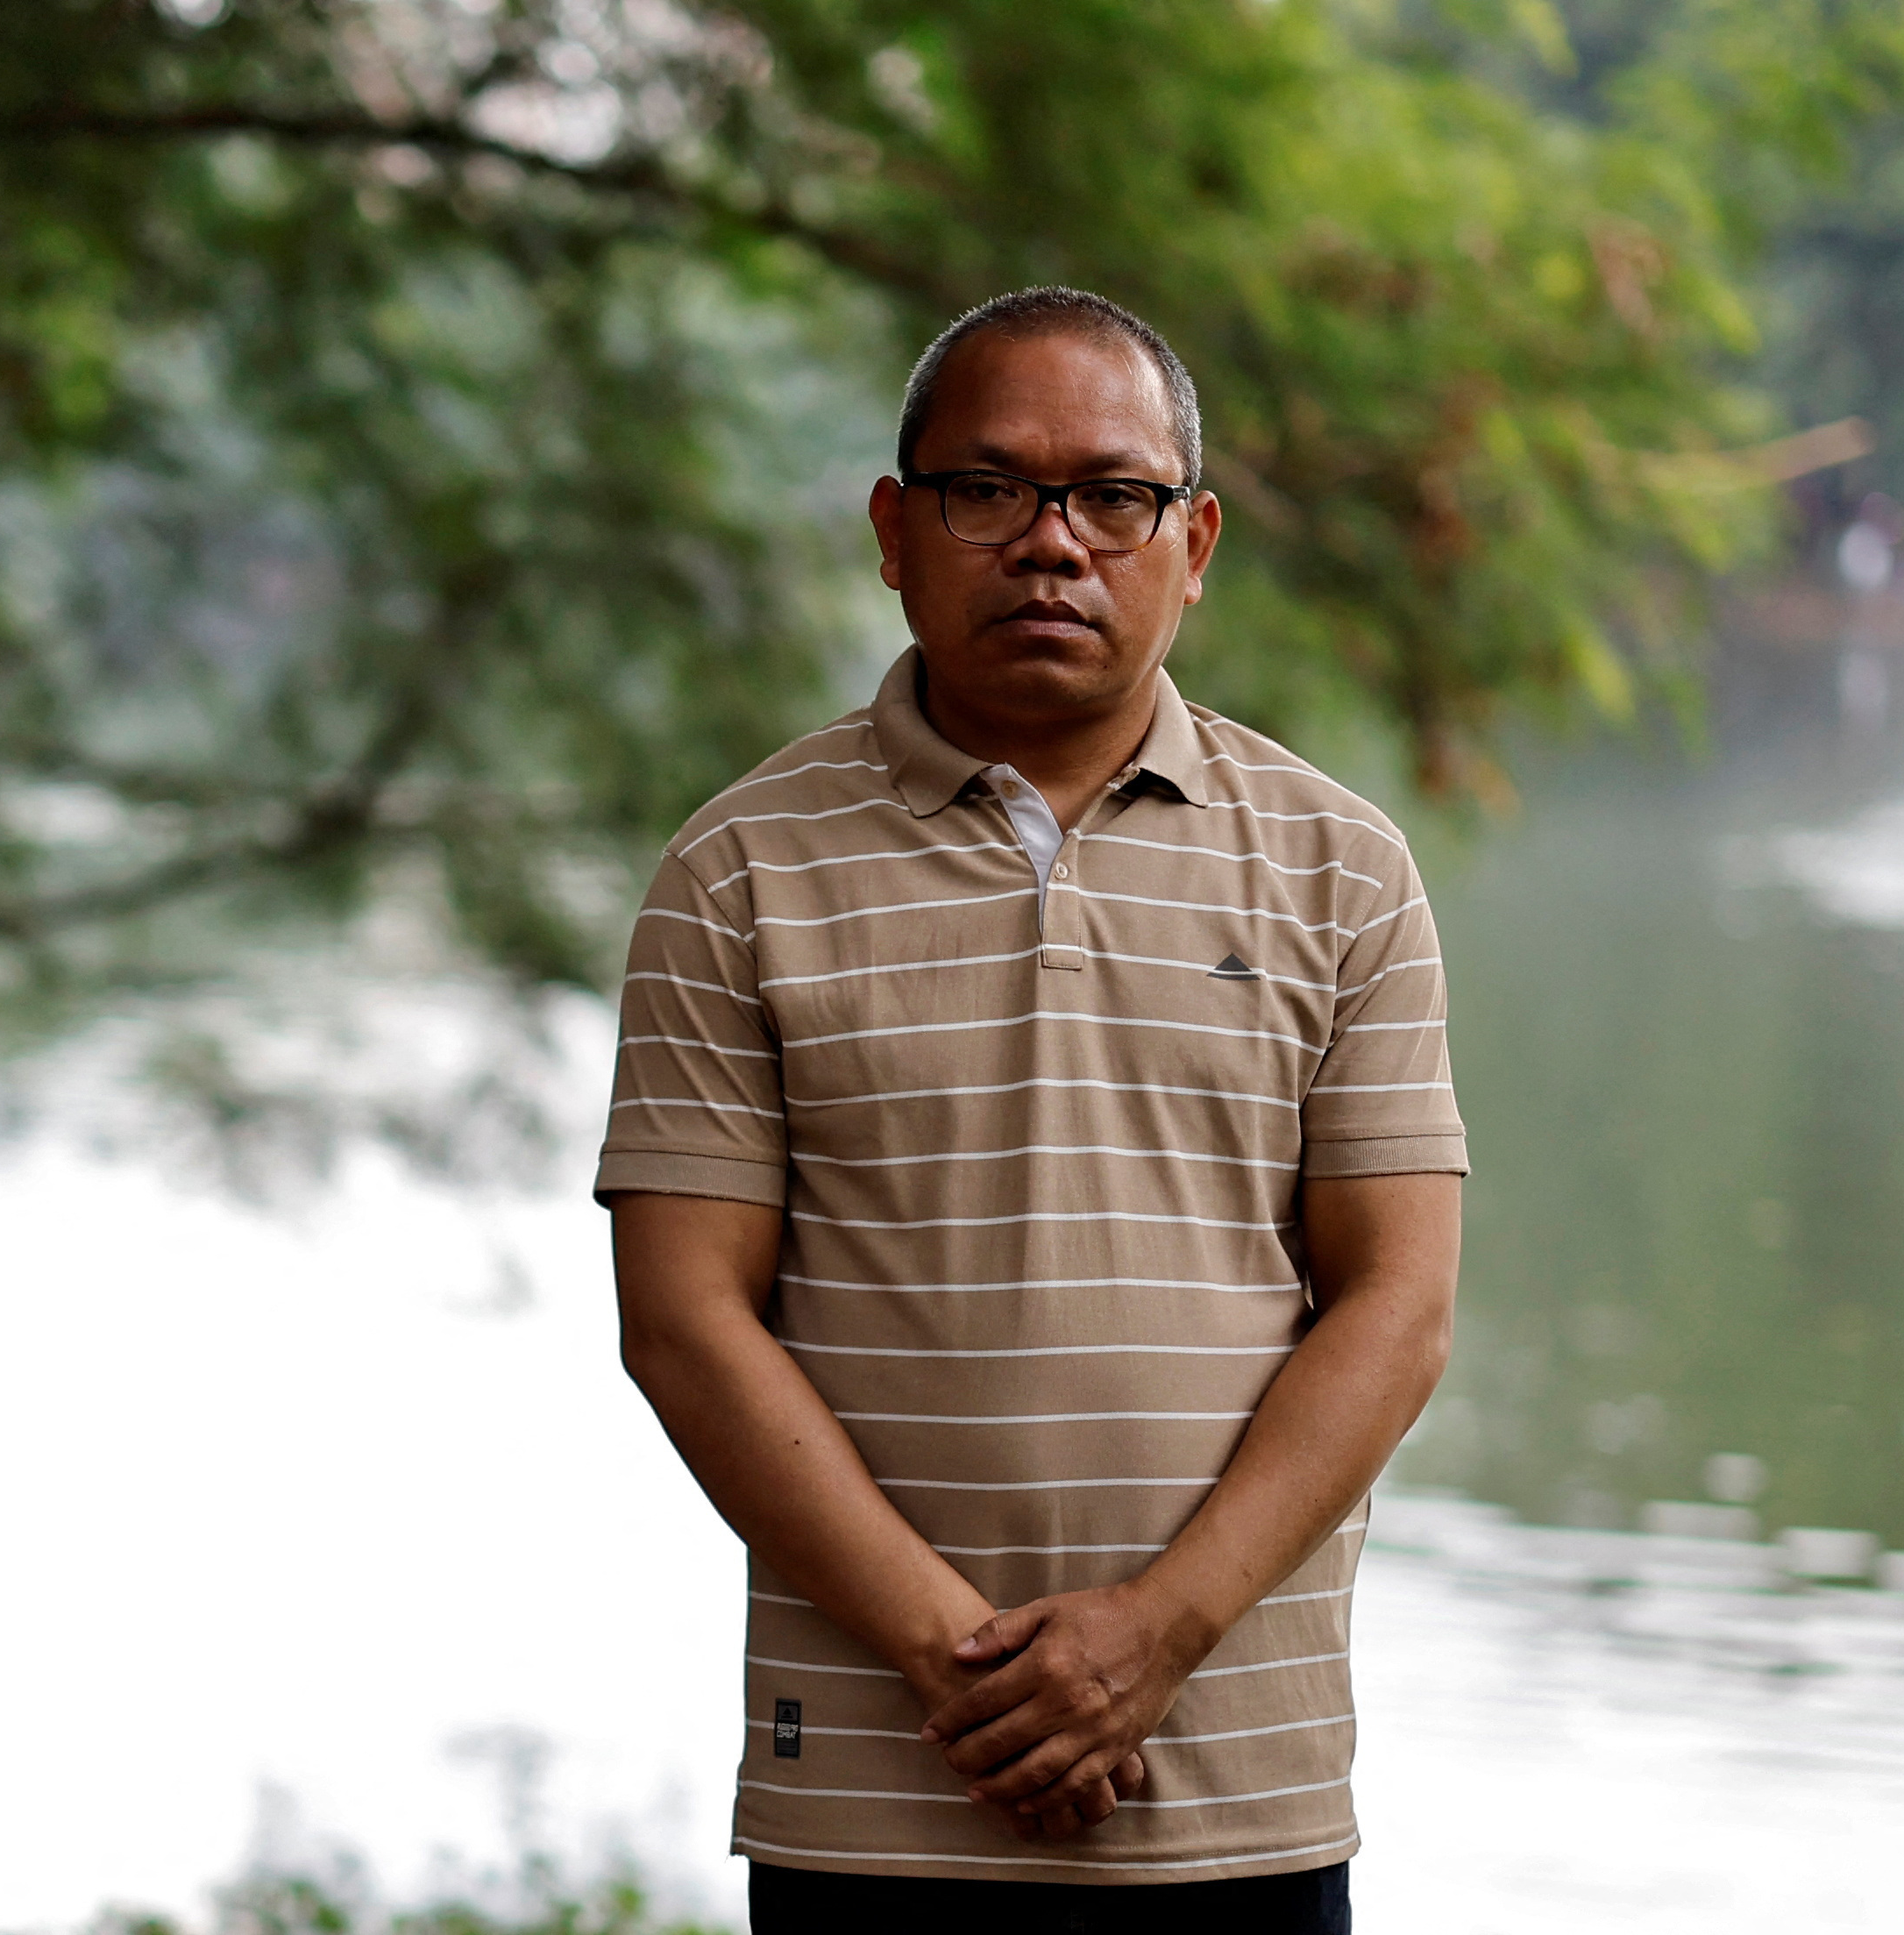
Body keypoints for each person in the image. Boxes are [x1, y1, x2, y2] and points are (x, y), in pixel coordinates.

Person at [598, 286, 1467, 1934]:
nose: (1052, 541)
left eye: (1113, 497)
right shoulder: (739, 873)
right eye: (987, 490)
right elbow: (683, 1320)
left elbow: (1400, 1305)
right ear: (893, 529)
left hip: (1235, 1789)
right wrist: (958, 1661)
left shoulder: (1340, 868)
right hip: (873, 1790)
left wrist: (1157, 1635)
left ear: (1193, 542)